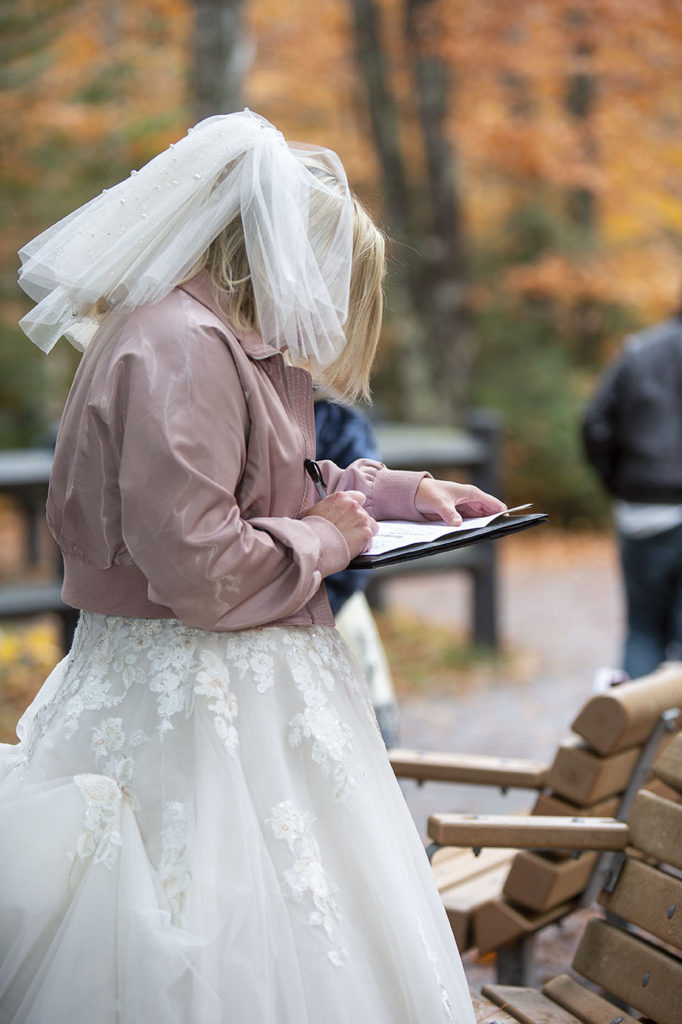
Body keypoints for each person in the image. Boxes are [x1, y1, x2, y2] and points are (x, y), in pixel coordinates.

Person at [0, 110, 506, 1023]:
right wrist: (331, 539)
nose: (329, 307)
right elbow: (201, 565)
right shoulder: (181, 348)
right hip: (202, 705)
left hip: (226, 693)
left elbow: (262, 481)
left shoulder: (214, 338)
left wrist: (392, 494)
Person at [582, 312, 682, 679]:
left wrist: (619, 482)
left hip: (644, 512)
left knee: (642, 633)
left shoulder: (639, 350)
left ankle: (638, 733)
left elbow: (594, 424)